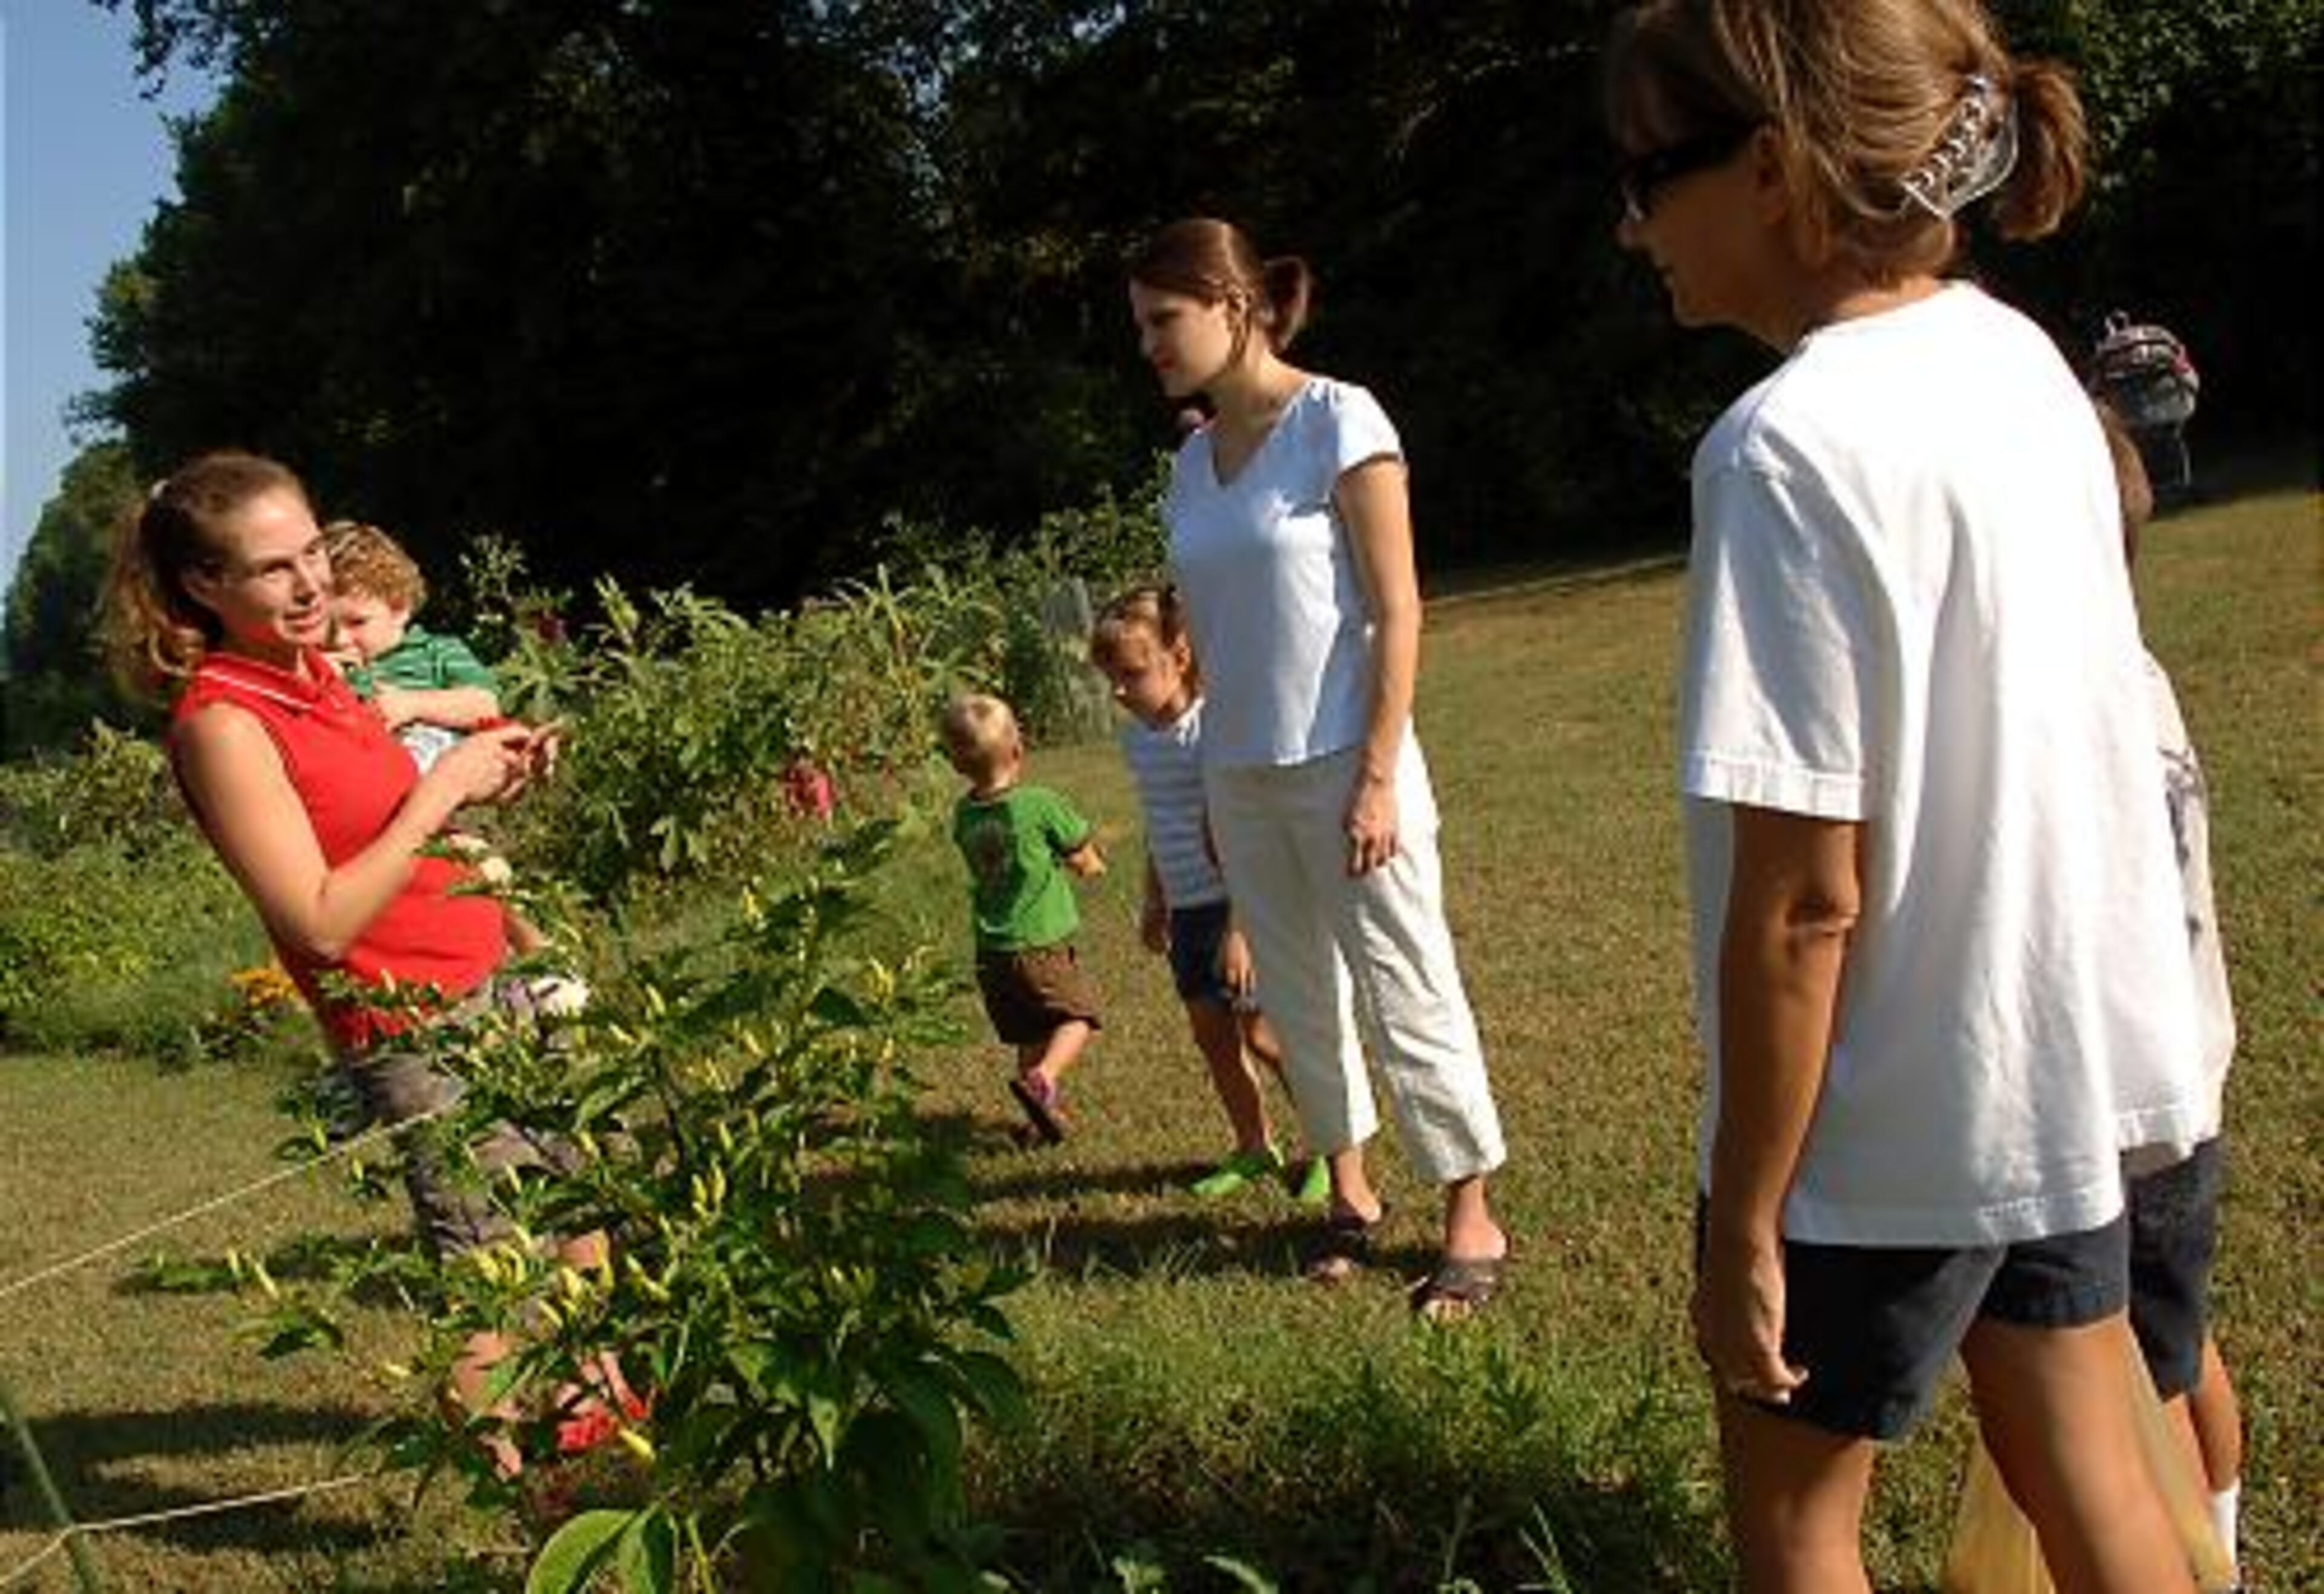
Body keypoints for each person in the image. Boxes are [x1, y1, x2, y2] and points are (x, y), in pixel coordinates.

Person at [1604, 2, 2214, 1587]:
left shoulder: (1781, 450)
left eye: (1650, 171)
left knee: (1798, 1530)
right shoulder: (2020, 366)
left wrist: (1744, 1211)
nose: (1630, 221)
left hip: (1876, 1126)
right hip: (2052, 1074)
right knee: (2097, 1489)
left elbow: (1806, 899)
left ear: (1769, 167)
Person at [102, 450, 619, 1466]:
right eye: (273, 570)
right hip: (414, 1017)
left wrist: (489, 776)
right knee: (488, 1265)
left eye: (311, 554)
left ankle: (597, 1400)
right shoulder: (223, 721)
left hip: (488, 965)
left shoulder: (322, 676)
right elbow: (319, 919)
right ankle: (504, 1501)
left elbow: (386, 826)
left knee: (575, 1193)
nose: (311, 585)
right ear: (205, 586)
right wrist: (441, 790)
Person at [1126, 217, 1510, 1319]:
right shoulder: (1194, 463)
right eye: (1142, 325)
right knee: (1292, 990)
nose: (1149, 344)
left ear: (1234, 308)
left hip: (1351, 762)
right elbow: (1207, 631)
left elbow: (1398, 609)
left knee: (1405, 980)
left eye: (1165, 320)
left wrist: (1381, 772)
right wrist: (1209, 785)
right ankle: (1348, 1194)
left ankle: (1471, 1211)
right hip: (1243, 773)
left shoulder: (1340, 420)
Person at [2100, 403, 2246, 1583]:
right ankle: (2223, 1549)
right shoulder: (2137, 672)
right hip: (2187, 1089)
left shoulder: (2078, 705)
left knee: (2138, 1388)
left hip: (2130, 1119)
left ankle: (2198, 1560)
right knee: (2180, 1348)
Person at [1089, 583, 1332, 1204]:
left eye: (1133, 673)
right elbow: (1161, 822)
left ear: (1181, 655)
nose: (1120, 689)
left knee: (1264, 1036)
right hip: (1188, 911)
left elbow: (1243, 831)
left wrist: (1243, 929)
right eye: (1111, 676)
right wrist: (1154, 898)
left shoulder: (1213, 734)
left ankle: (1331, 1144)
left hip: (1236, 910)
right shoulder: (1140, 740)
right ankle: (1255, 1147)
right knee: (1213, 1039)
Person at [940, 692, 1106, 1144]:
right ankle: (1045, 1079)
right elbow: (1082, 855)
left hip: (992, 953)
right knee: (1078, 1018)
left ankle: (1037, 1121)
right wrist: (1090, 865)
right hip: (1040, 946)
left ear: (957, 765)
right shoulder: (1039, 803)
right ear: (1018, 748)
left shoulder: (964, 813)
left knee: (1030, 1034)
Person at [322, 519, 507, 773]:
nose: (339, 639)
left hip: (425, 765)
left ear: (400, 610)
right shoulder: (317, 660)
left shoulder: (437, 652)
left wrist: (413, 705)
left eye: (357, 622)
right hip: (353, 763)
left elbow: (485, 705)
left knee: (433, 739)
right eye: (325, 623)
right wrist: (321, 682)